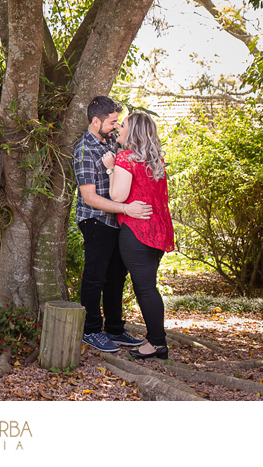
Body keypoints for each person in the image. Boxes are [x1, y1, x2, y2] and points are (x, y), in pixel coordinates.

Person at [73, 96, 153, 353]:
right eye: (112, 122)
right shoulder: (84, 150)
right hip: (96, 220)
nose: (116, 126)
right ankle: (92, 330)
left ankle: (115, 330)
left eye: (119, 122)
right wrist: (126, 208)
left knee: (117, 277)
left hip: (118, 221)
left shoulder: (109, 141)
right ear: (95, 121)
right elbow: (89, 197)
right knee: (95, 277)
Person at [102, 111, 175, 359]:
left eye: (123, 125)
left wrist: (111, 170)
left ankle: (157, 343)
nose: (119, 128)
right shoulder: (155, 161)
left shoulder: (125, 159)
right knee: (147, 287)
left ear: (132, 133)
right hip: (157, 232)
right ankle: (156, 340)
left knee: (145, 289)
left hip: (137, 231)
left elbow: (118, 197)